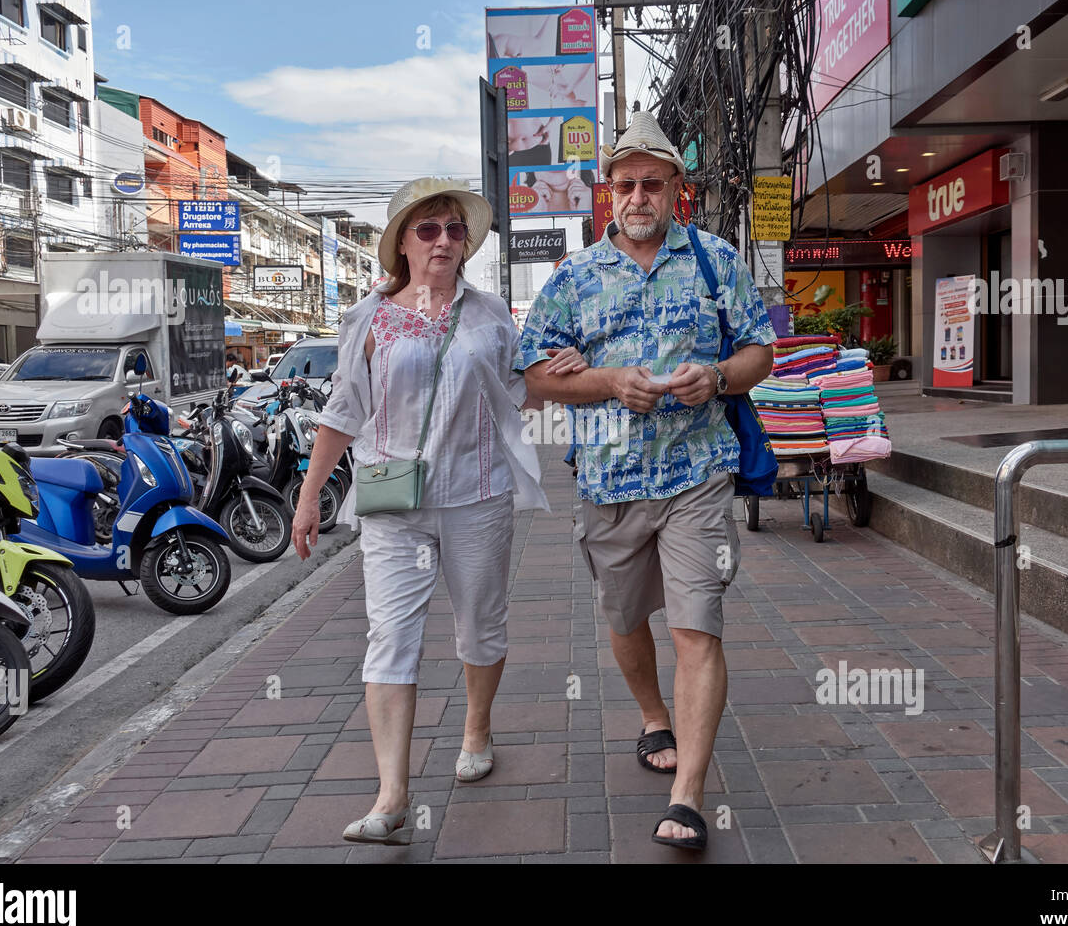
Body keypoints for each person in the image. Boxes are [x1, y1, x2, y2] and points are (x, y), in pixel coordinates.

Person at [289, 177, 584, 845]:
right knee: (391, 636)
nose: (445, 240)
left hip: (478, 495)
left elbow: (519, 393)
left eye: (455, 229)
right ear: (403, 243)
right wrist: (309, 498)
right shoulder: (369, 317)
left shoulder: (491, 315)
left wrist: (557, 374)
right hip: (395, 503)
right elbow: (344, 413)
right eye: (429, 229)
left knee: (481, 625)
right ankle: (393, 793)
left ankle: (477, 725)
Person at [517, 110, 775, 850]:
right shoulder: (573, 277)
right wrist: (603, 380)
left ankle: (688, 794)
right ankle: (652, 715)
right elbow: (534, 377)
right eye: (625, 183)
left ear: (675, 190)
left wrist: (718, 376)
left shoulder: (716, 261)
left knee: (698, 626)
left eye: (651, 183)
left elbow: (762, 351)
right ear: (609, 193)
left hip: (698, 472)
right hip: (608, 482)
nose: (638, 196)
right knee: (626, 620)